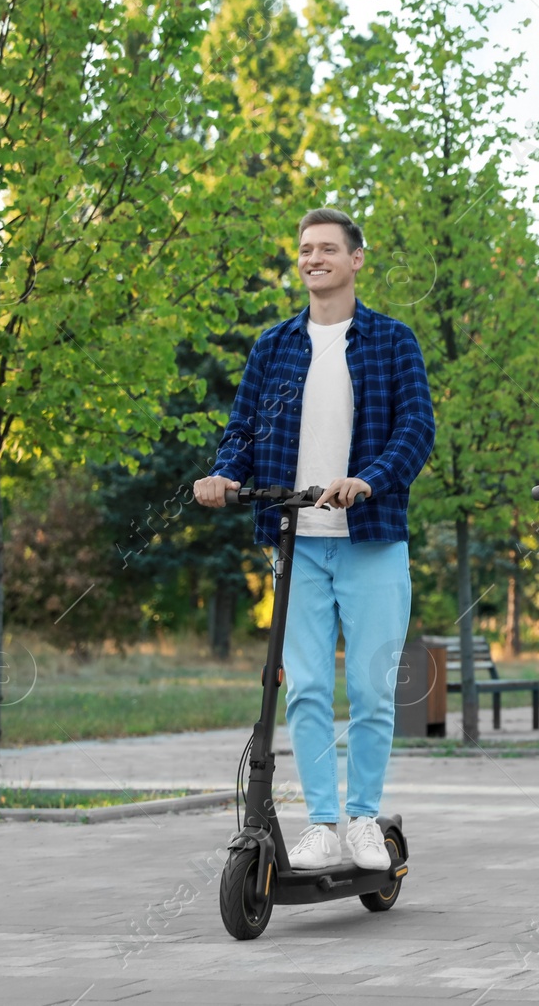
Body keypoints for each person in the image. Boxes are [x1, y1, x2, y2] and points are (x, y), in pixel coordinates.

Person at [195, 208, 434, 871]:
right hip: (294, 538)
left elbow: (416, 431)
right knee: (301, 685)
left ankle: (363, 818)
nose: (313, 258)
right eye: (305, 249)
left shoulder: (391, 340)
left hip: (371, 539)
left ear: (356, 259)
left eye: (328, 248)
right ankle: (322, 822)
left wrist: (369, 480)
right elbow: (241, 430)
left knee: (369, 686)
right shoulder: (273, 345)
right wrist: (223, 475)